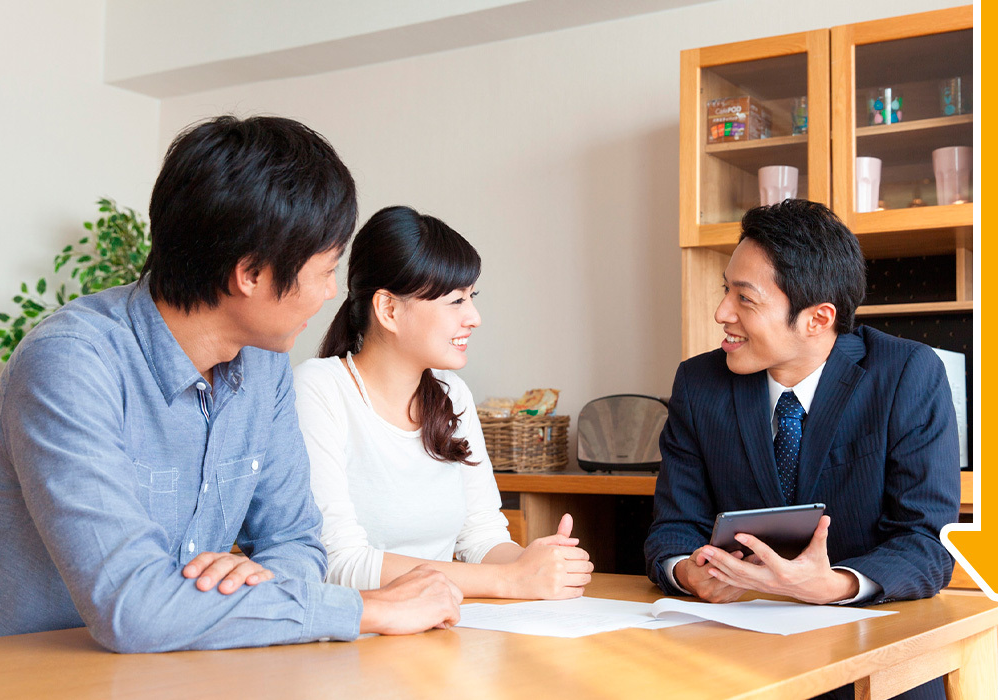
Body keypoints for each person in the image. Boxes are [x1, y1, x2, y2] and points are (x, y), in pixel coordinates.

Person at [0, 116, 461, 650]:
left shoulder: (263, 366)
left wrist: (244, 595)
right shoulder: (71, 364)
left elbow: (294, 542)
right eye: (325, 269)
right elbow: (134, 609)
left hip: (176, 671)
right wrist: (367, 608)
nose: (333, 291)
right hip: (14, 672)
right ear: (250, 274)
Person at [643, 199, 959, 700]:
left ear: (818, 318)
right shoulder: (699, 383)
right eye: (725, 290)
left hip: (873, 651)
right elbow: (673, 528)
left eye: (745, 299)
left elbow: (926, 542)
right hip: (734, 648)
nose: (722, 312)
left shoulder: (905, 375)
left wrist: (832, 585)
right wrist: (687, 573)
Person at [293, 205, 593, 600]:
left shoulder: (452, 395)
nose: (474, 317)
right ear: (388, 309)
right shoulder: (318, 389)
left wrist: (533, 564)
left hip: (439, 627)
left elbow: (482, 536)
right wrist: (509, 580)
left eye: (472, 297)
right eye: (455, 301)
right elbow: (338, 563)